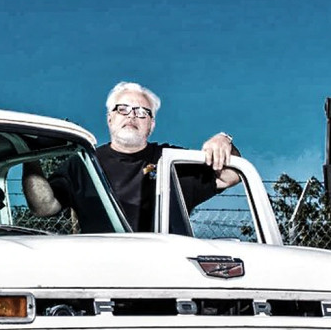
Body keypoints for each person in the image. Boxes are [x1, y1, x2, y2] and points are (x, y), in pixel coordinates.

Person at [22, 81, 243, 232]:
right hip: (101, 271)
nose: (132, 116)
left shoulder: (172, 160)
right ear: (110, 119)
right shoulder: (85, 163)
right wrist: (30, 158)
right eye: (123, 109)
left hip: (169, 269)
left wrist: (224, 141)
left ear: (152, 124)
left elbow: (230, 176)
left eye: (141, 112)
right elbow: (44, 206)